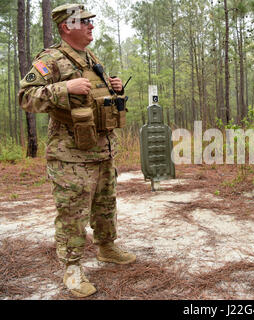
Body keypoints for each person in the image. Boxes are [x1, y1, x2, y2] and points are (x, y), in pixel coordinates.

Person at [19, 3, 135, 297]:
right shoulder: (51, 59)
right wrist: (64, 88)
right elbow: (26, 97)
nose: (91, 26)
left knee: (105, 205)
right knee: (72, 214)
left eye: (90, 22)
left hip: (102, 150)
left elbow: (96, 99)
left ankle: (107, 247)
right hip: (70, 156)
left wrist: (114, 88)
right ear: (65, 27)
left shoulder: (91, 58)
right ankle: (72, 269)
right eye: (84, 22)